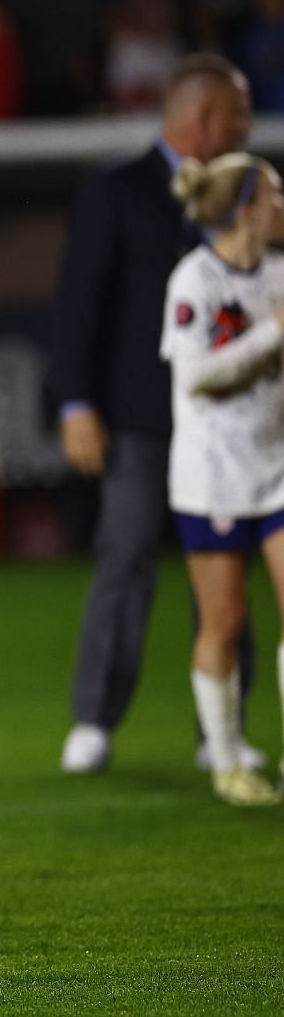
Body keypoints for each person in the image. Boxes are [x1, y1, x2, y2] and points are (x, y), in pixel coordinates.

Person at [52, 55, 258, 775]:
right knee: (126, 557)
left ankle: (221, 732)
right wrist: (76, 403)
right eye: (239, 112)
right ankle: (95, 721)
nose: (248, 125)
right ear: (201, 119)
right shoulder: (116, 188)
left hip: (232, 420)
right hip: (140, 419)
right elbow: (78, 302)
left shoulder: (250, 192)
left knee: (228, 569)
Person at [160, 153, 284, 805]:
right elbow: (195, 374)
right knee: (225, 621)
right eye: (275, 195)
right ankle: (228, 760)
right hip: (212, 476)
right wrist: (271, 337)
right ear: (246, 209)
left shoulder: (280, 273)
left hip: (277, 467)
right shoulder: (195, 280)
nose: (282, 206)